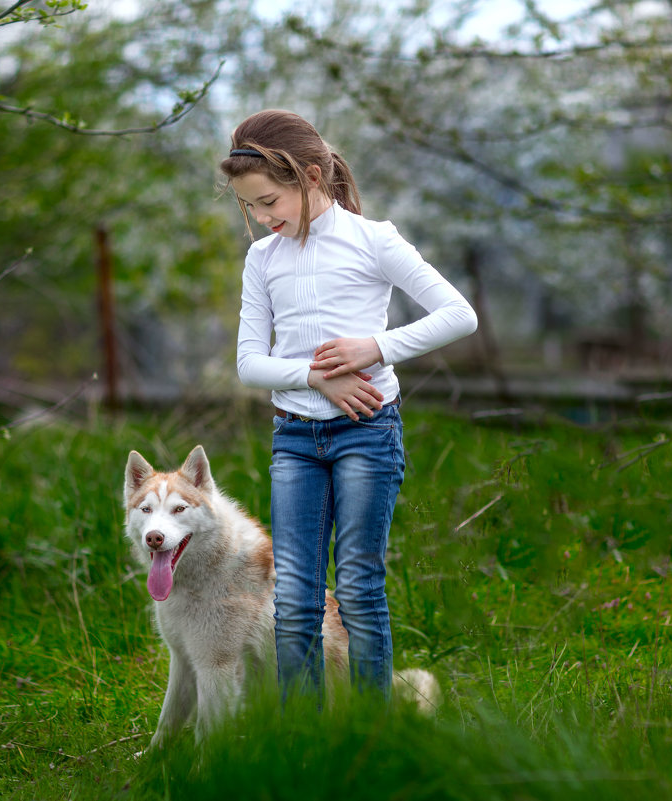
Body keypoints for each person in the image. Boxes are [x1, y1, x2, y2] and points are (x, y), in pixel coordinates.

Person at [219, 109, 478, 702]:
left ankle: (369, 730)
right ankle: (305, 738)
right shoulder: (262, 261)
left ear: (311, 177)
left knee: (359, 585)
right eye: (249, 207)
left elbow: (458, 315)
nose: (261, 219)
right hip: (295, 439)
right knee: (295, 595)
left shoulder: (373, 239)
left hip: (367, 431)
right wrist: (317, 379)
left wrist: (376, 346)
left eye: (268, 201)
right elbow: (249, 363)